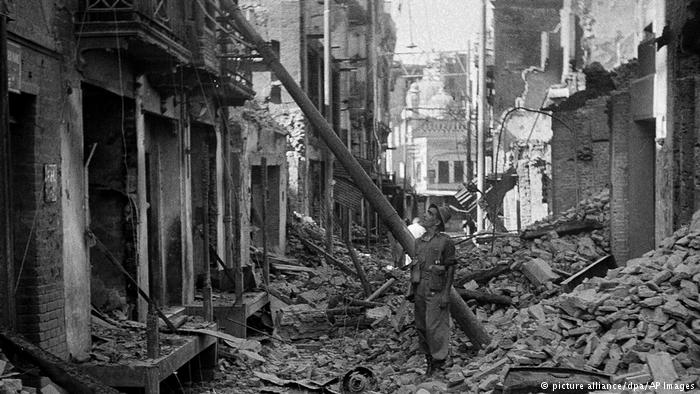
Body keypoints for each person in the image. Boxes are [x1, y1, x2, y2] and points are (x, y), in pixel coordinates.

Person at [411, 204, 456, 376]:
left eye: (430, 214)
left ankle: (439, 362)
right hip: (419, 288)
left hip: (436, 290)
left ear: (437, 222)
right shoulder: (418, 242)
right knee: (422, 327)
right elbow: (416, 267)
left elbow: (451, 268)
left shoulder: (445, 242)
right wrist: (412, 290)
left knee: (434, 327)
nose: (425, 215)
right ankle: (429, 362)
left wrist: (446, 294)